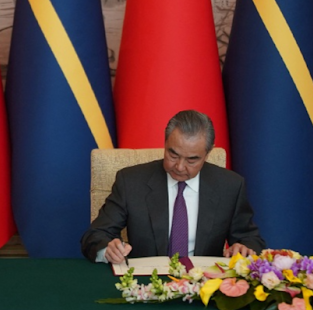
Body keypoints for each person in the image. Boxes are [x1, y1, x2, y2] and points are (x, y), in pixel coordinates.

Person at [81, 110, 265, 264]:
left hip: (205, 288)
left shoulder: (230, 186)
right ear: (165, 143)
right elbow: (95, 235)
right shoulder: (131, 181)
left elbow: (250, 239)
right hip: (145, 286)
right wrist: (107, 249)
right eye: (173, 154)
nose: (179, 166)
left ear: (208, 153)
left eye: (192, 159)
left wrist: (244, 249)